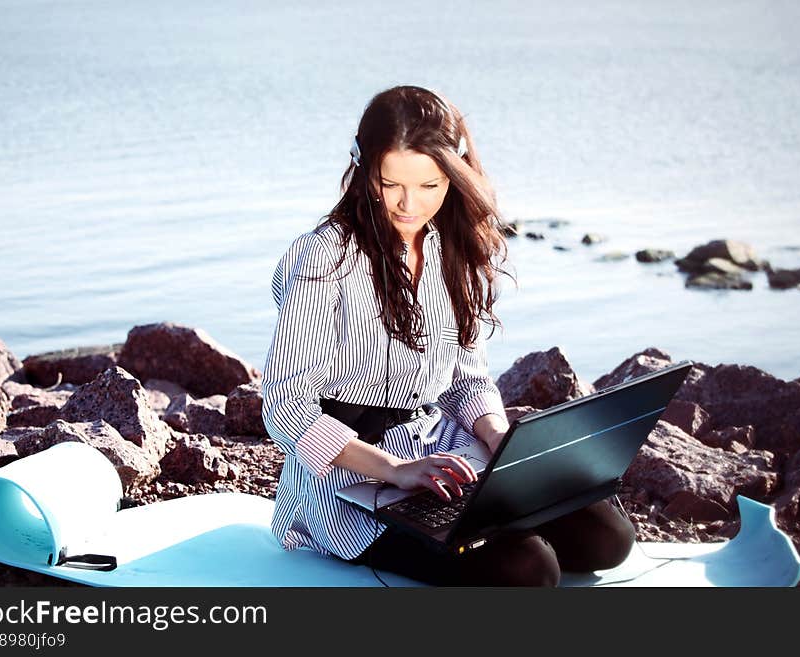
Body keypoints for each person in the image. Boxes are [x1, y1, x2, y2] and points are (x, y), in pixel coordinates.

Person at [261, 85, 635, 586]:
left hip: (445, 451)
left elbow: (466, 378)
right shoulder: (322, 258)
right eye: (389, 183)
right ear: (363, 167)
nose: (408, 205)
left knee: (607, 540)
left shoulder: (450, 247)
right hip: (351, 479)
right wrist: (395, 470)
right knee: (528, 570)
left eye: (430, 186)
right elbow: (285, 405)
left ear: (454, 176)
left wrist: (499, 437)